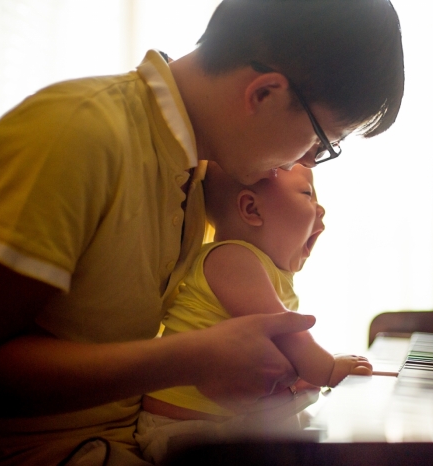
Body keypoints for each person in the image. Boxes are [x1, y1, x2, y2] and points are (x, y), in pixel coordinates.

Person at [0, 1, 404, 464]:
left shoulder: (197, 172)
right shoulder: (78, 131)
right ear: (265, 93)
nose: (309, 162)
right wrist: (187, 357)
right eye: (321, 142)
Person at [135, 162, 372, 463]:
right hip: (185, 431)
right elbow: (288, 336)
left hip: (222, 422)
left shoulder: (263, 267)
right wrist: (327, 369)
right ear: (251, 209)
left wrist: (300, 377)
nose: (320, 209)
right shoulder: (231, 258)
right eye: (307, 193)